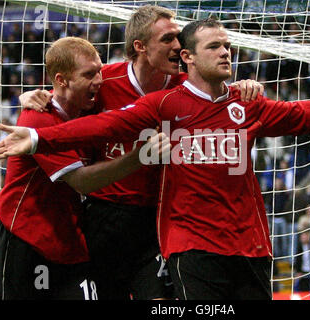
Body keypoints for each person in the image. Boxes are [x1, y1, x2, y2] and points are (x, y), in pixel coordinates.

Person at [0, 19, 310, 300]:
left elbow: (298, 115)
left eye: (228, 46)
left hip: (231, 240)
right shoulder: (155, 101)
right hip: (132, 228)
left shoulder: (239, 100)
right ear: (145, 48)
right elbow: (103, 128)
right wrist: (39, 133)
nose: (226, 53)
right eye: (214, 46)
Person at [19, 5, 264, 300]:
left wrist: (246, 86)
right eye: (168, 39)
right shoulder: (102, 81)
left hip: (158, 218)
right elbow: (63, 96)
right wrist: (33, 95)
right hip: (104, 216)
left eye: (179, 38)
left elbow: (221, 98)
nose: (178, 46)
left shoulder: (187, 87)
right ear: (140, 46)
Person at [0, 37, 169, 300]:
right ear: (62, 80)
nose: (99, 80)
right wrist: (139, 157)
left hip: (69, 240)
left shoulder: (86, 108)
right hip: (26, 238)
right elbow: (82, 182)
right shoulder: (38, 118)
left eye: (99, 70)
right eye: (89, 74)